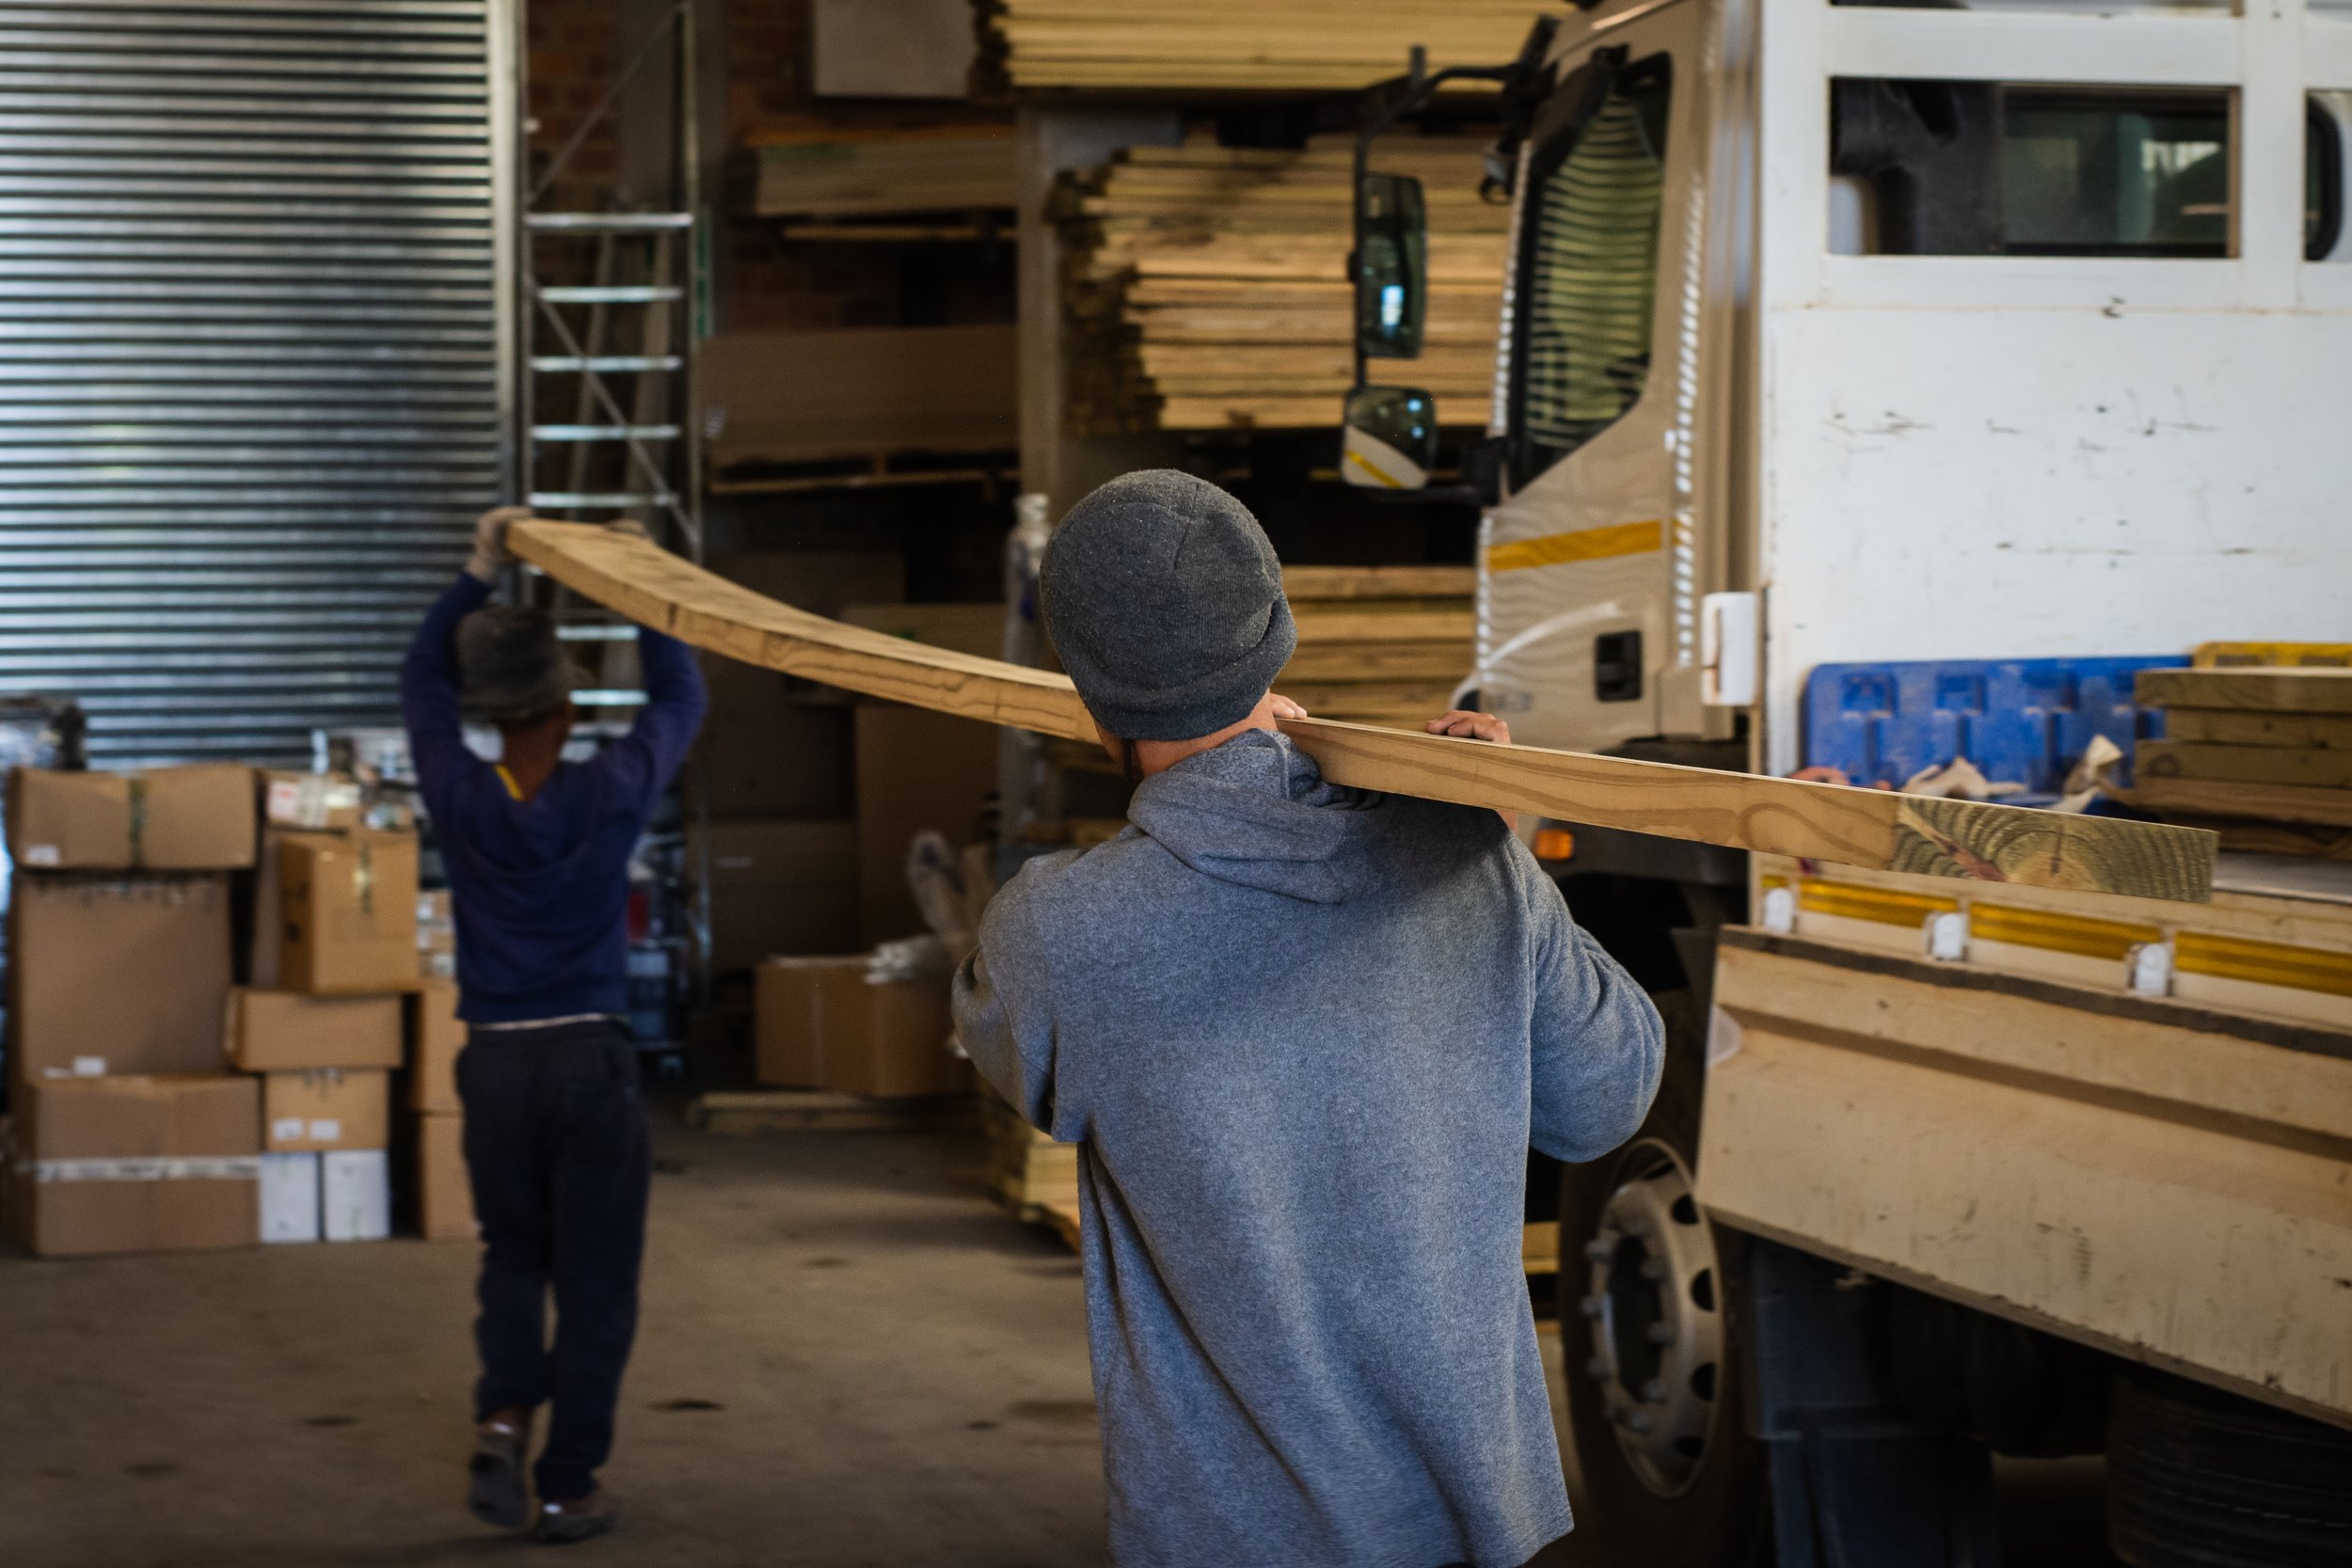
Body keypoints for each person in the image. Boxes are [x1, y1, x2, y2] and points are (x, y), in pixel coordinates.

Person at [952, 470, 1665, 1568]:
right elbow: (1605, 1100)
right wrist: (1502, 844)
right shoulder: (1460, 856)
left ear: (1087, 694)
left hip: (1232, 1534)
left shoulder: (1057, 933)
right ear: (1276, 641)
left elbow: (1011, 1050)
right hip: (1478, 1521)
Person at [400, 506, 708, 1544]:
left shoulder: (459, 792)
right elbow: (683, 692)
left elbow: (417, 678)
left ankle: (500, 1409)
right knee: (596, 1281)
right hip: (588, 1056)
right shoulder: (609, 790)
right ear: (567, 709)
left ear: (487, 713)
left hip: (491, 1064)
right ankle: (567, 1480)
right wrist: (636, 578)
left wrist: (476, 575)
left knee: (512, 1254)